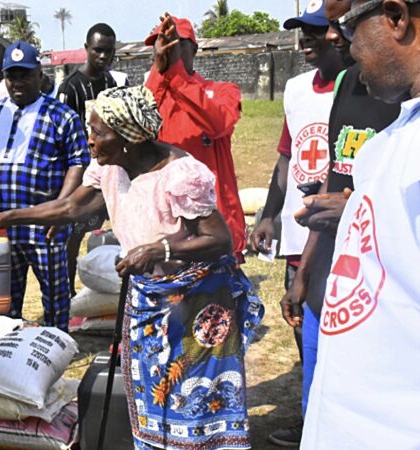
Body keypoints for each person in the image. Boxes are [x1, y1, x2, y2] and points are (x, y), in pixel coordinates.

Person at [0, 86, 263, 450]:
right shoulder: (109, 167)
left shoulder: (181, 174)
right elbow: (70, 207)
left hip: (198, 301)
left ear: (129, 137)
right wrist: (6, 218)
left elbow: (220, 239)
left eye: (98, 132)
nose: (90, 140)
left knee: (197, 395)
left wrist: (160, 248)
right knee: (151, 388)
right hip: (148, 297)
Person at [270, 0, 402, 446]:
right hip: (330, 278)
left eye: (343, 24)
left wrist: (360, 209)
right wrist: (304, 273)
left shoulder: (403, 106)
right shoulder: (349, 84)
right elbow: (333, 181)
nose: (332, 35)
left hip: (380, 295)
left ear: (397, 17)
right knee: (321, 394)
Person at [247, 2, 344, 444]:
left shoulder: (358, 87)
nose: (305, 39)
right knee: (303, 328)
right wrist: (268, 214)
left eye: (315, 31)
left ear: (337, 36)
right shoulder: (296, 89)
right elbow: (286, 158)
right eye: (301, 31)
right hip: (299, 232)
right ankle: (310, 417)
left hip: (341, 231)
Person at [0, 41, 90, 331]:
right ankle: (10, 349)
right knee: (5, 304)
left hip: (45, 227)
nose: (18, 82)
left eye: (25, 75)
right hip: (1, 227)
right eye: (12, 76)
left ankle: (57, 346)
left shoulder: (61, 116)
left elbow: (78, 163)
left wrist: (61, 211)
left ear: (39, 74)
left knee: (55, 300)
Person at [144, 15, 247, 262]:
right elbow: (137, 125)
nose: (167, 49)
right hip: (168, 224)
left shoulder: (222, 91)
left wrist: (177, 76)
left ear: (194, 49)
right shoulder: (154, 95)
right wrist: (159, 73)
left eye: (174, 43)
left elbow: (217, 124)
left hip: (215, 223)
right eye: (161, 44)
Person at [57, 22, 118, 295]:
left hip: (110, 174)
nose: (103, 56)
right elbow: (59, 136)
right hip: (81, 177)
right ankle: (67, 291)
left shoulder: (110, 84)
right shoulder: (70, 88)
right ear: (86, 49)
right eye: (98, 50)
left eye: (108, 51)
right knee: (73, 236)